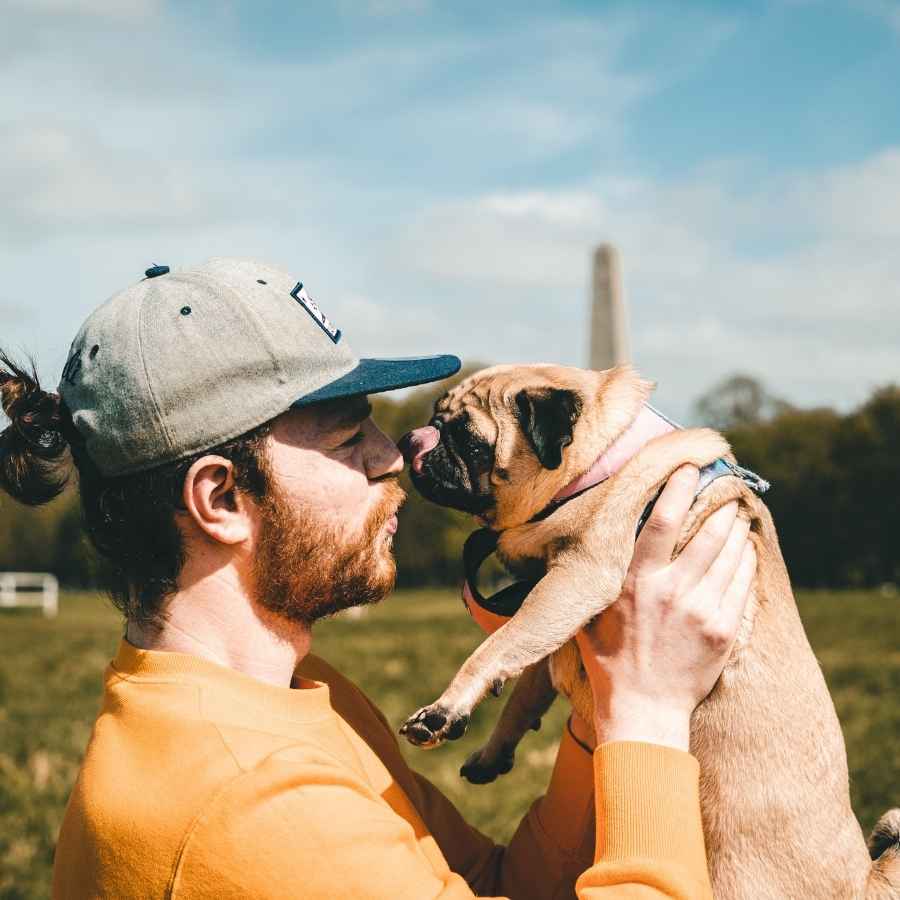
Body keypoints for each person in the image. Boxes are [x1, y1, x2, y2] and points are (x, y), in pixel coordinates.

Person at [0, 257, 755, 899]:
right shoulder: (249, 806)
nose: (392, 456)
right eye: (348, 436)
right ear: (221, 498)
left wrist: (598, 713)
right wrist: (650, 715)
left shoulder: (296, 698)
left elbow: (496, 884)